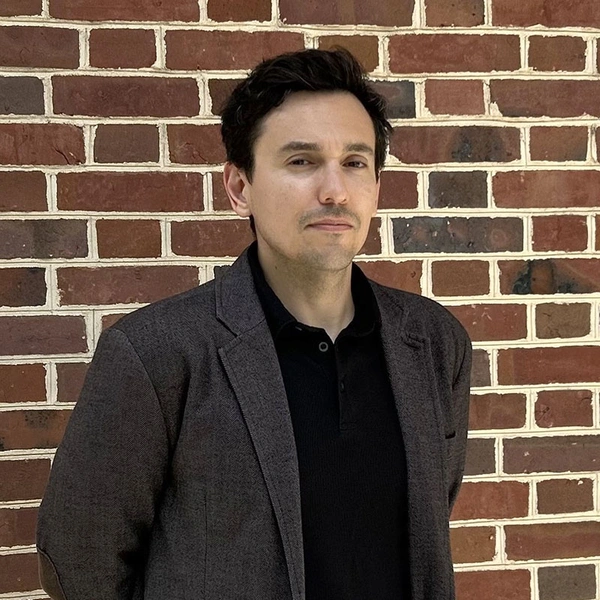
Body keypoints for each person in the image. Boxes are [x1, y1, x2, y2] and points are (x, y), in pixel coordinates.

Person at [36, 48, 472, 600]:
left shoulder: (434, 344)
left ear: (377, 185)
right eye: (302, 161)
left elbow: (428, 524)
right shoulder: (157, 355)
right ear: (239, 187)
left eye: (355, 162)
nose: (334, 190)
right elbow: (79, 560)